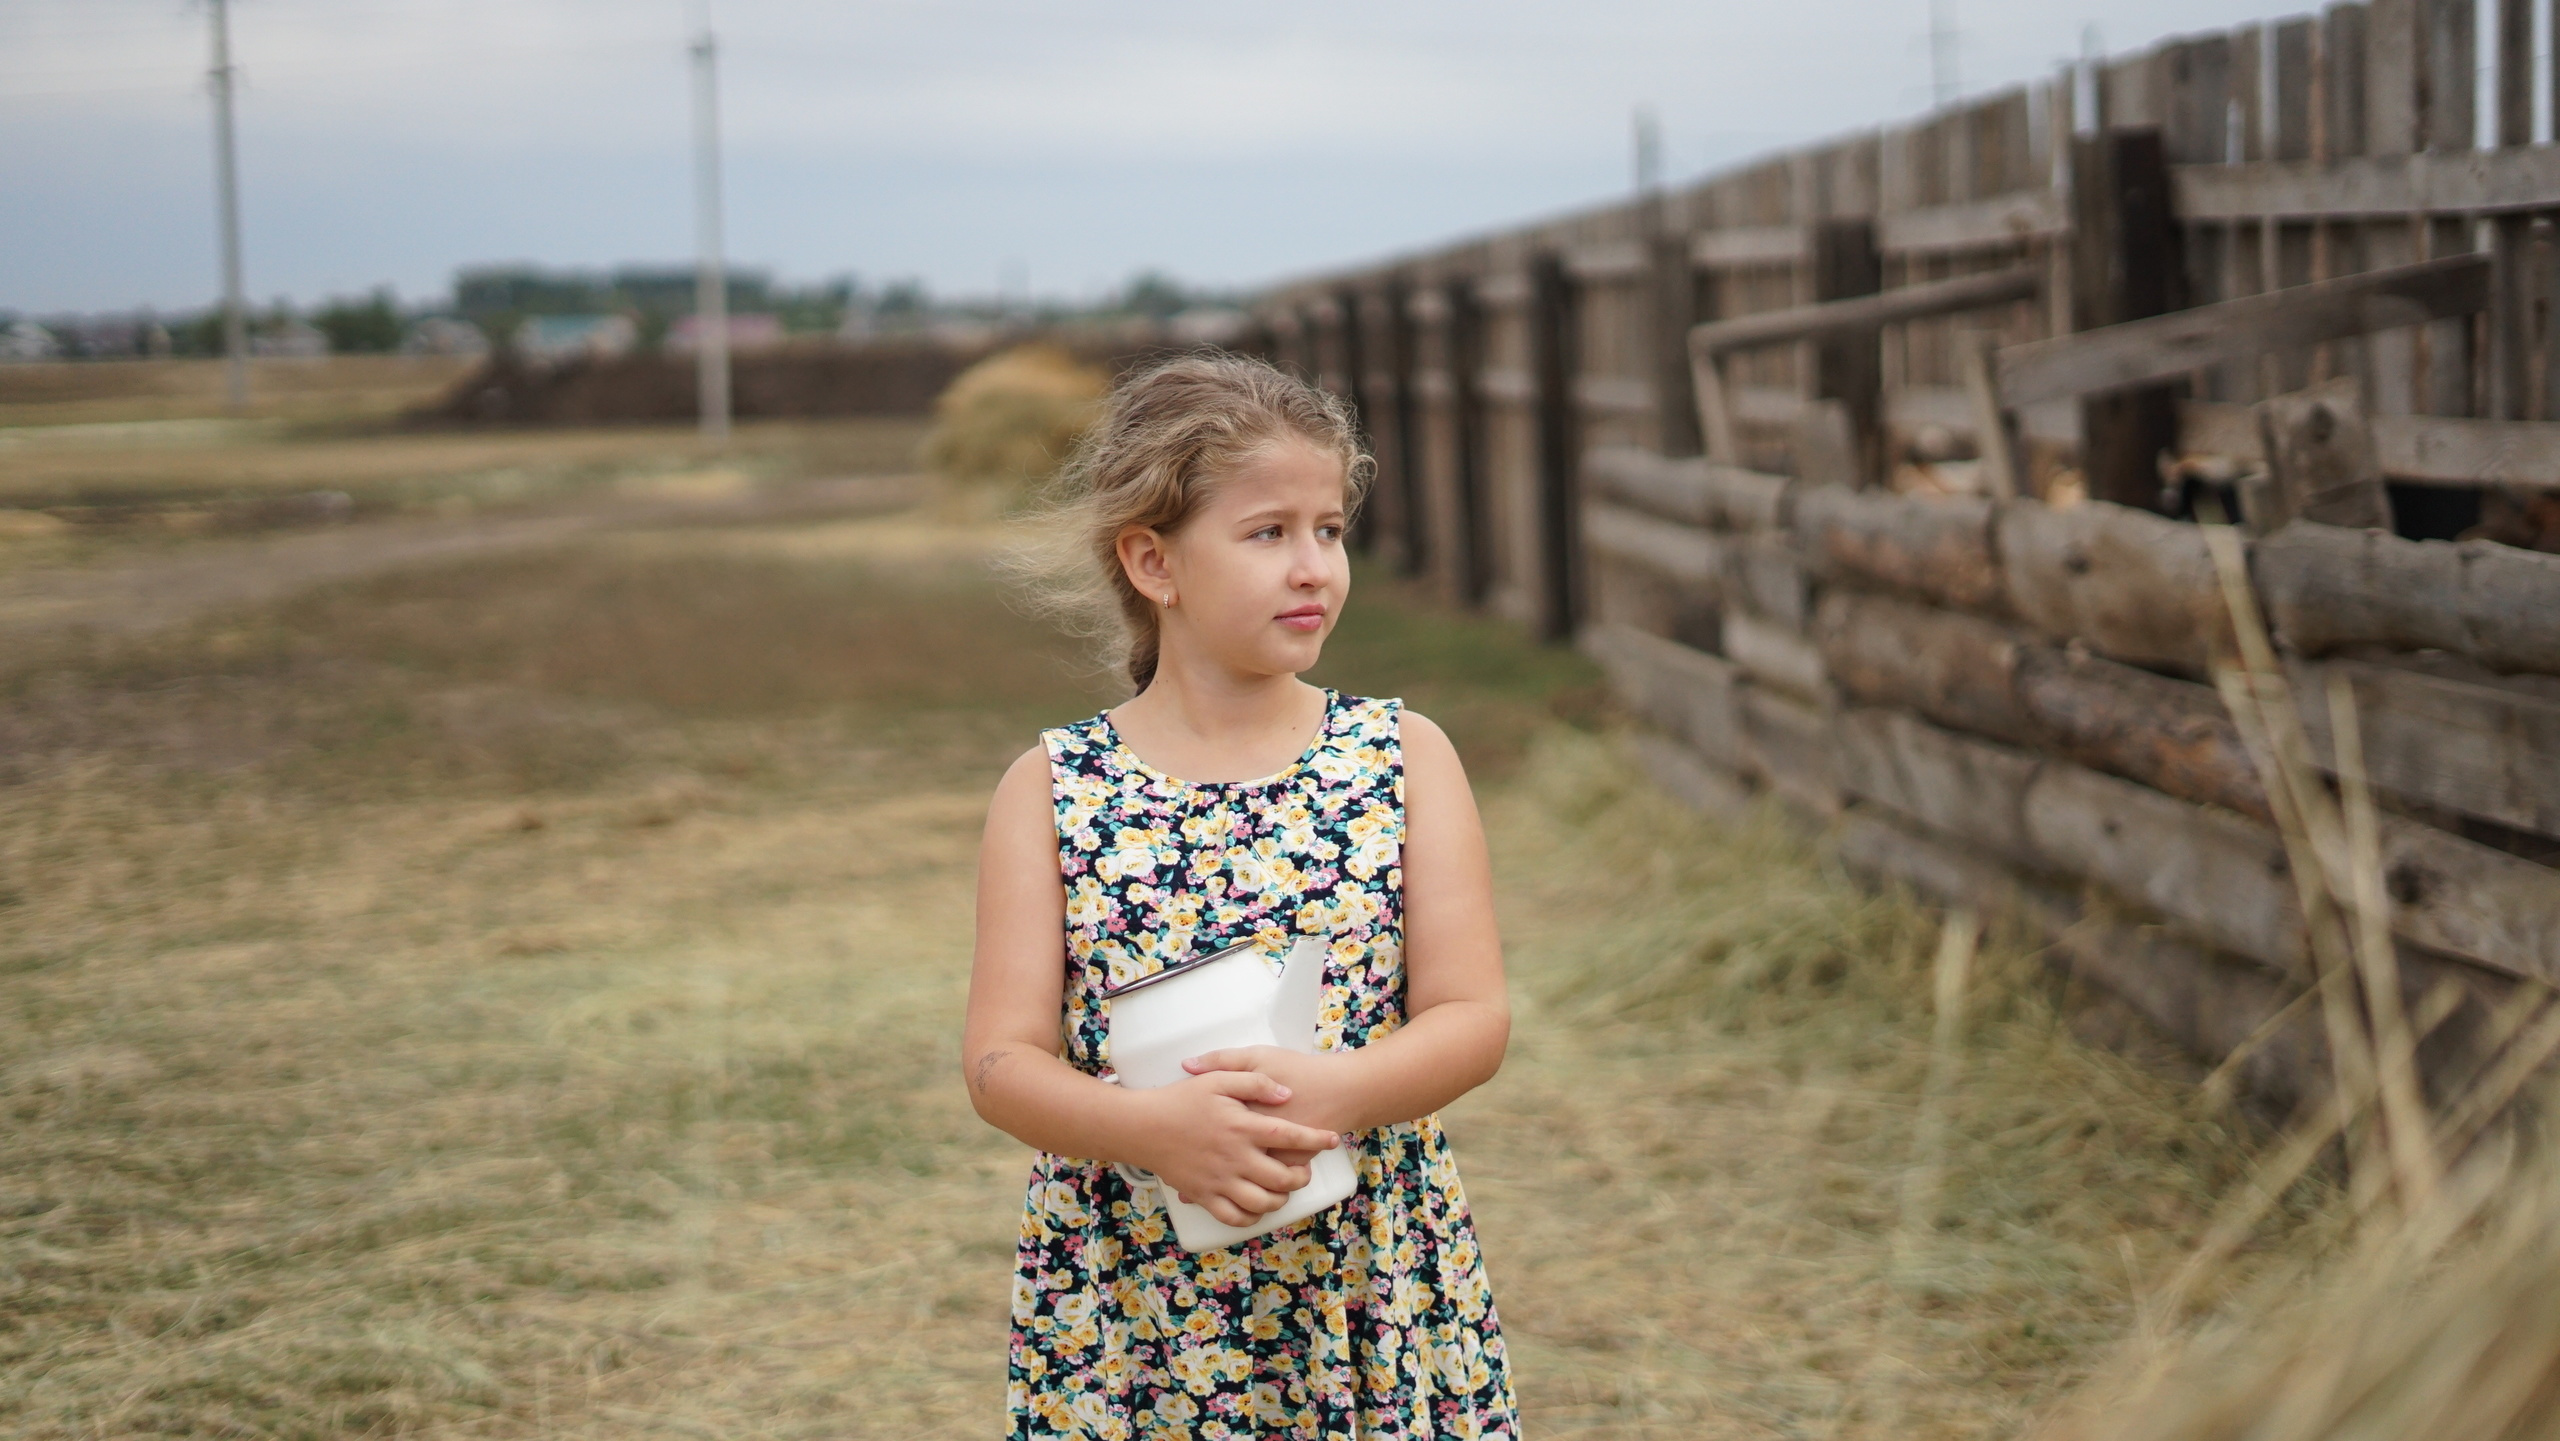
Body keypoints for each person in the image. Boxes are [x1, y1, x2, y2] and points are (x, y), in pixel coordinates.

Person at [963, 352, 1519, 1439]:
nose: (1313, 565)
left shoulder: (1402, 758)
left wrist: (1339, 1092)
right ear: (1152, 560)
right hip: (1135, 1302)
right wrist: (1153, 1130)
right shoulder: (1053, 791)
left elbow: (1472, 1016)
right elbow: (999, 1063)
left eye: (1329, 529)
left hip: (1367, 1279)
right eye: (1268, 533)